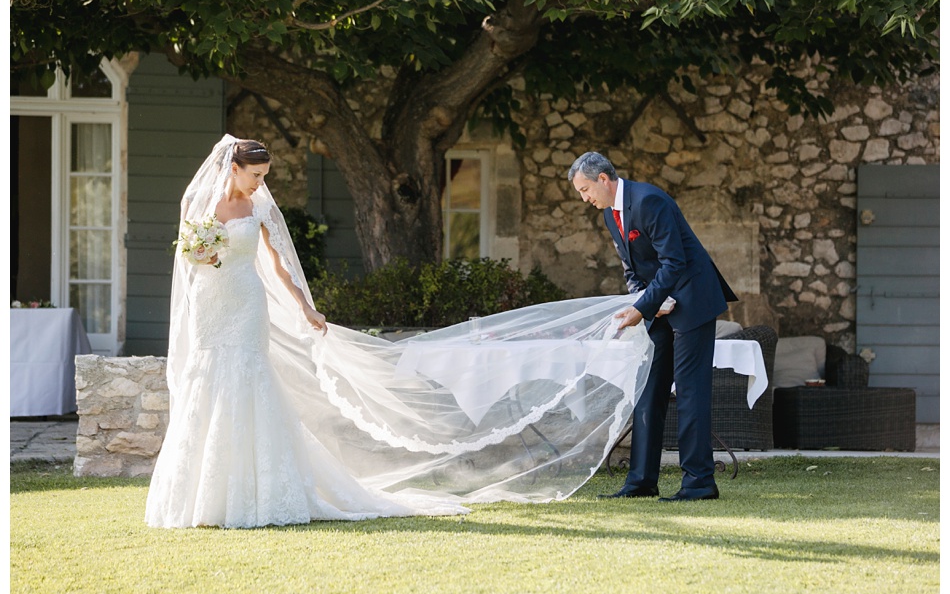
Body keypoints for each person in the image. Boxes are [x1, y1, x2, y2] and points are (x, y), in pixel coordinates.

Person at [146, 135, 655, 529]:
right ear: (232, 169)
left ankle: (257, 494)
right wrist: (203, 258)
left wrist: (306, 307)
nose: (260, 184)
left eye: (263, 176)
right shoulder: (203, 211)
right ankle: (206, 495)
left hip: (249, 306)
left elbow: (278, 265)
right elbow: (190, 264)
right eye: (254, 175)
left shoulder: (258, 209)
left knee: (251, 383)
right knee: (209, 385)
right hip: (215, 307)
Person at [568, 151, 737, 501]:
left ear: (603, 178)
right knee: (648, 390)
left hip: (693, 300)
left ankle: (699, 483)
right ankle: (641, 482)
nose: (585, 199)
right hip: (659, 303)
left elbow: (674, 261)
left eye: (585, 189)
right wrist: (646, 301)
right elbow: (632, 270)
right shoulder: (609, 216)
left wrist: (642, 307)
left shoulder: (649, 201)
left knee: (690, 394)